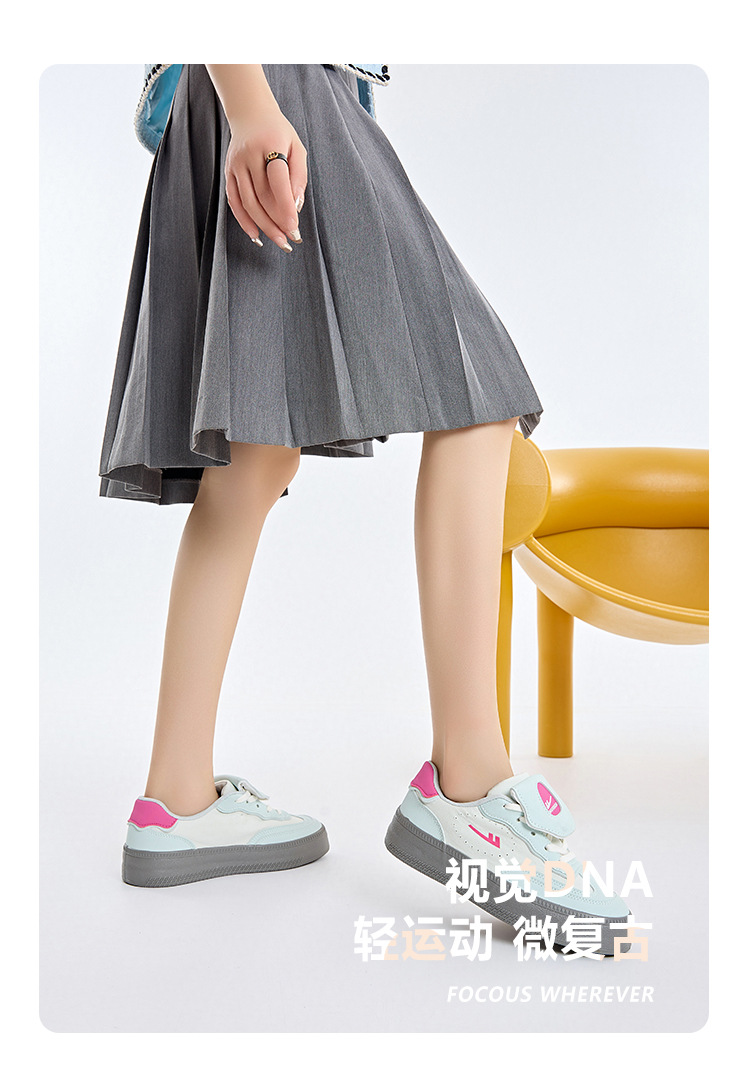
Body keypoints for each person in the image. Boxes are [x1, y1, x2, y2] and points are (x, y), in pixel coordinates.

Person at [100, 64, 629, 953]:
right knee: (476, 390)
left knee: (255, 457)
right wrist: (256, 108)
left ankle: (176, 798)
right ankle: (469, 786)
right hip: (274, 84)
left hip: (235, 93)